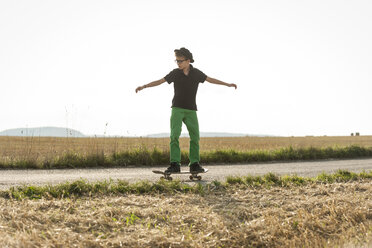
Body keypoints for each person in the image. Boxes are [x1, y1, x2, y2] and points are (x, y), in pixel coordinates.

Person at [135, 47, 237, 173]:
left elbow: (210, 80)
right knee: (174, 136)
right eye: (176, 61)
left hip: (191, 110)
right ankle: (175, 164)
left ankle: (194, 164)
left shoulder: (196, 73)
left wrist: (227, 84)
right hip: (177, 108)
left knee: (195, 137)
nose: (178, 63)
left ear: (188, 61)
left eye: (180, 61)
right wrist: (144, 86)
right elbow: (160, 81)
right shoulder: (175, 73)